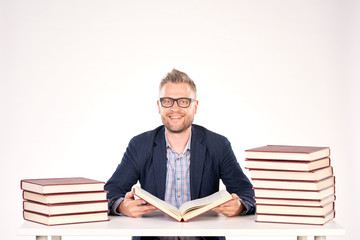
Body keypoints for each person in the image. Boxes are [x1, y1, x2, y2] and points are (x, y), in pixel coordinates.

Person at [105, 69, 255, 240]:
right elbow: (110, 192)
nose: (174, 108)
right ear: (159, 106)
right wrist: (122, 207)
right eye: (167, 101)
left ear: (195, 107)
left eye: (183, 101)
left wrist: (239, 206)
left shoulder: (218, 145)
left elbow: (246, 193)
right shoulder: (140, 145)